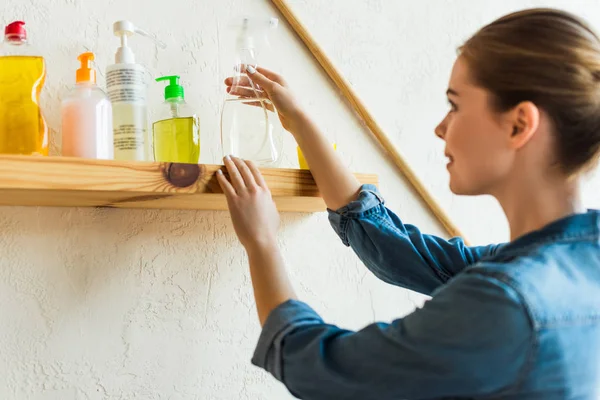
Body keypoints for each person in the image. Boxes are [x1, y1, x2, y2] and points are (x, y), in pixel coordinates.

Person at [216, 7, 600, 399]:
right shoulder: (580, 257)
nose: (440, 127)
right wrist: (298, 118)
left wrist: (261, 241)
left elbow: (317, 366)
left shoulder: (503, 303)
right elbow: (398, 250)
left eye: (455, 105)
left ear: (519, 125)